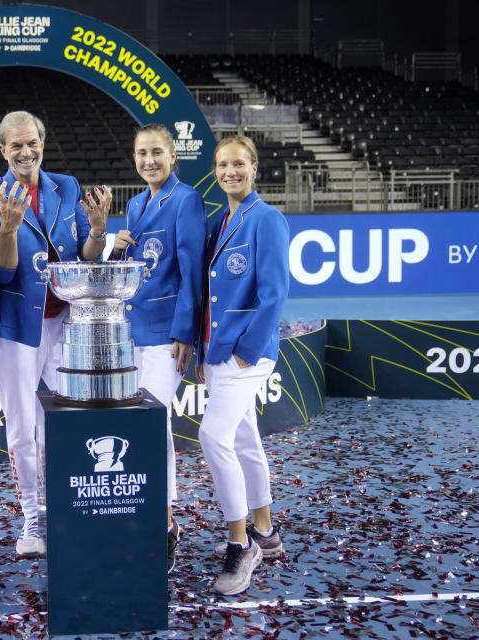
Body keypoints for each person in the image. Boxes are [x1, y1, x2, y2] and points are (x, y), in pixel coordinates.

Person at [0, 110, 112, 557]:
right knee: (21, 427)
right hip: (17, 326)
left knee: (69, 419)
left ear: (42, 143)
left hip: (65, 321)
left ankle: (67, 508)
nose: (25, 151)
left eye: (31, 142)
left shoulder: (66, 187)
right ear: (2, 150)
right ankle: (32, 521)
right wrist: (9, 230)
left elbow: (86, 256)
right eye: (15, 145)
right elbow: (1, 269)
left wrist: (96, 231)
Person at [109, 123, 207, 574]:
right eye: (141, 153)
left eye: (157, 153)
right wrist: (117, 248)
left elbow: (191, 272)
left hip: (167, 334)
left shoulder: (185, 200)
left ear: (173, 156)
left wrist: (185, 333)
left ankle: (164, 525)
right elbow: (138, 269)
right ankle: (154, 516)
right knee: (149, 426)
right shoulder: (134, 204)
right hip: (134, 330)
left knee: (152, 425)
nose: (149, 160)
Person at [194, 135, 290, 596]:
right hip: (218, 352)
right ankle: (266, 534)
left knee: (213, 437)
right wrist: (204, 350)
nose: (230, 171)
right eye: (222, 165)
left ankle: (240, 543)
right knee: (245, 439)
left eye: (238, 164)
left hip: (245, 353)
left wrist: (246, 350)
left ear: (255, 167)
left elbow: (274, 294)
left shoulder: (266, 219)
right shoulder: (220, 221)